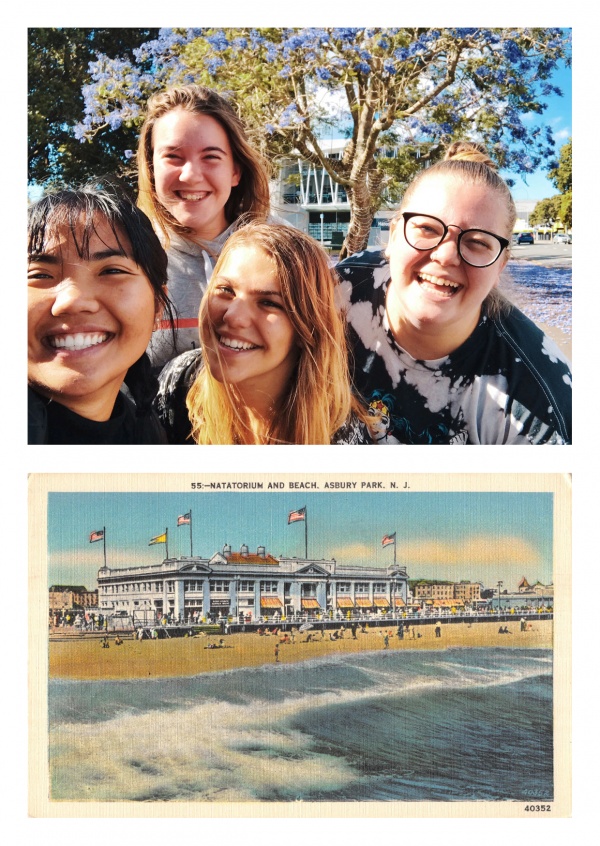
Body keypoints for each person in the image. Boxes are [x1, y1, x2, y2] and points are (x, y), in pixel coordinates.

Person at [336, 141, 572, 444]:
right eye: (427, 229)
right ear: (394, 236)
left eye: (477, 241)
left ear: (500, 265)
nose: (446, 256)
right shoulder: (340, 289)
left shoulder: (538, 402)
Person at [155, 222, 369, 444]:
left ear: (307, 327)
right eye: (226, 290)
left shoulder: (340, 438)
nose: (233, 316)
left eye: (269, 302)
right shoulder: (178, 382)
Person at [137, 84, 272, 369]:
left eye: (211, 157)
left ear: (235, 171)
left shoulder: (282, 254)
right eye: (173, 157)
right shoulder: (127, 259)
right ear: (151, 168)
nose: (191, 175)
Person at [28, 186, 174, 444]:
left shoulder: (149, 433)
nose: (72, 301)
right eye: (40, 275)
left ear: (157, 307)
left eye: (111, 271)